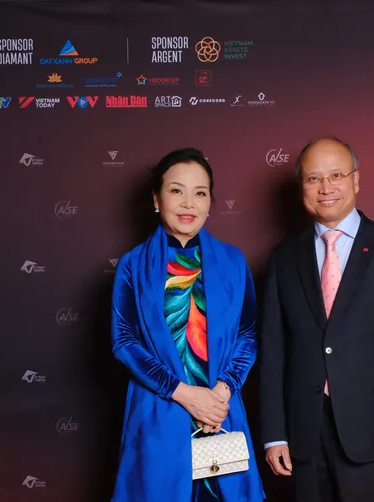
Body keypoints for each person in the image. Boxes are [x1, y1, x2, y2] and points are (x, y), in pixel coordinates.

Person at [259, 137, 374, 502]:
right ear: (302, 187)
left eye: (336, 175)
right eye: (313, 178)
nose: (326, 187)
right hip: (302, 435)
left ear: (356, 179)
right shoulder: (283, 257)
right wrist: (274, 435)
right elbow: (272, 352)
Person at [110, 148, 265, 501]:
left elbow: (248, 332)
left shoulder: (233, 260)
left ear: (210, 202)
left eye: (200, 193)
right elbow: (124, 341)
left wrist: (222, 392)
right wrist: (184, 394)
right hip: (160, 412)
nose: (188, 204)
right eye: (177, 190)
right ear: (156, 199)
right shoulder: (133, 265)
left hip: (220, 413)